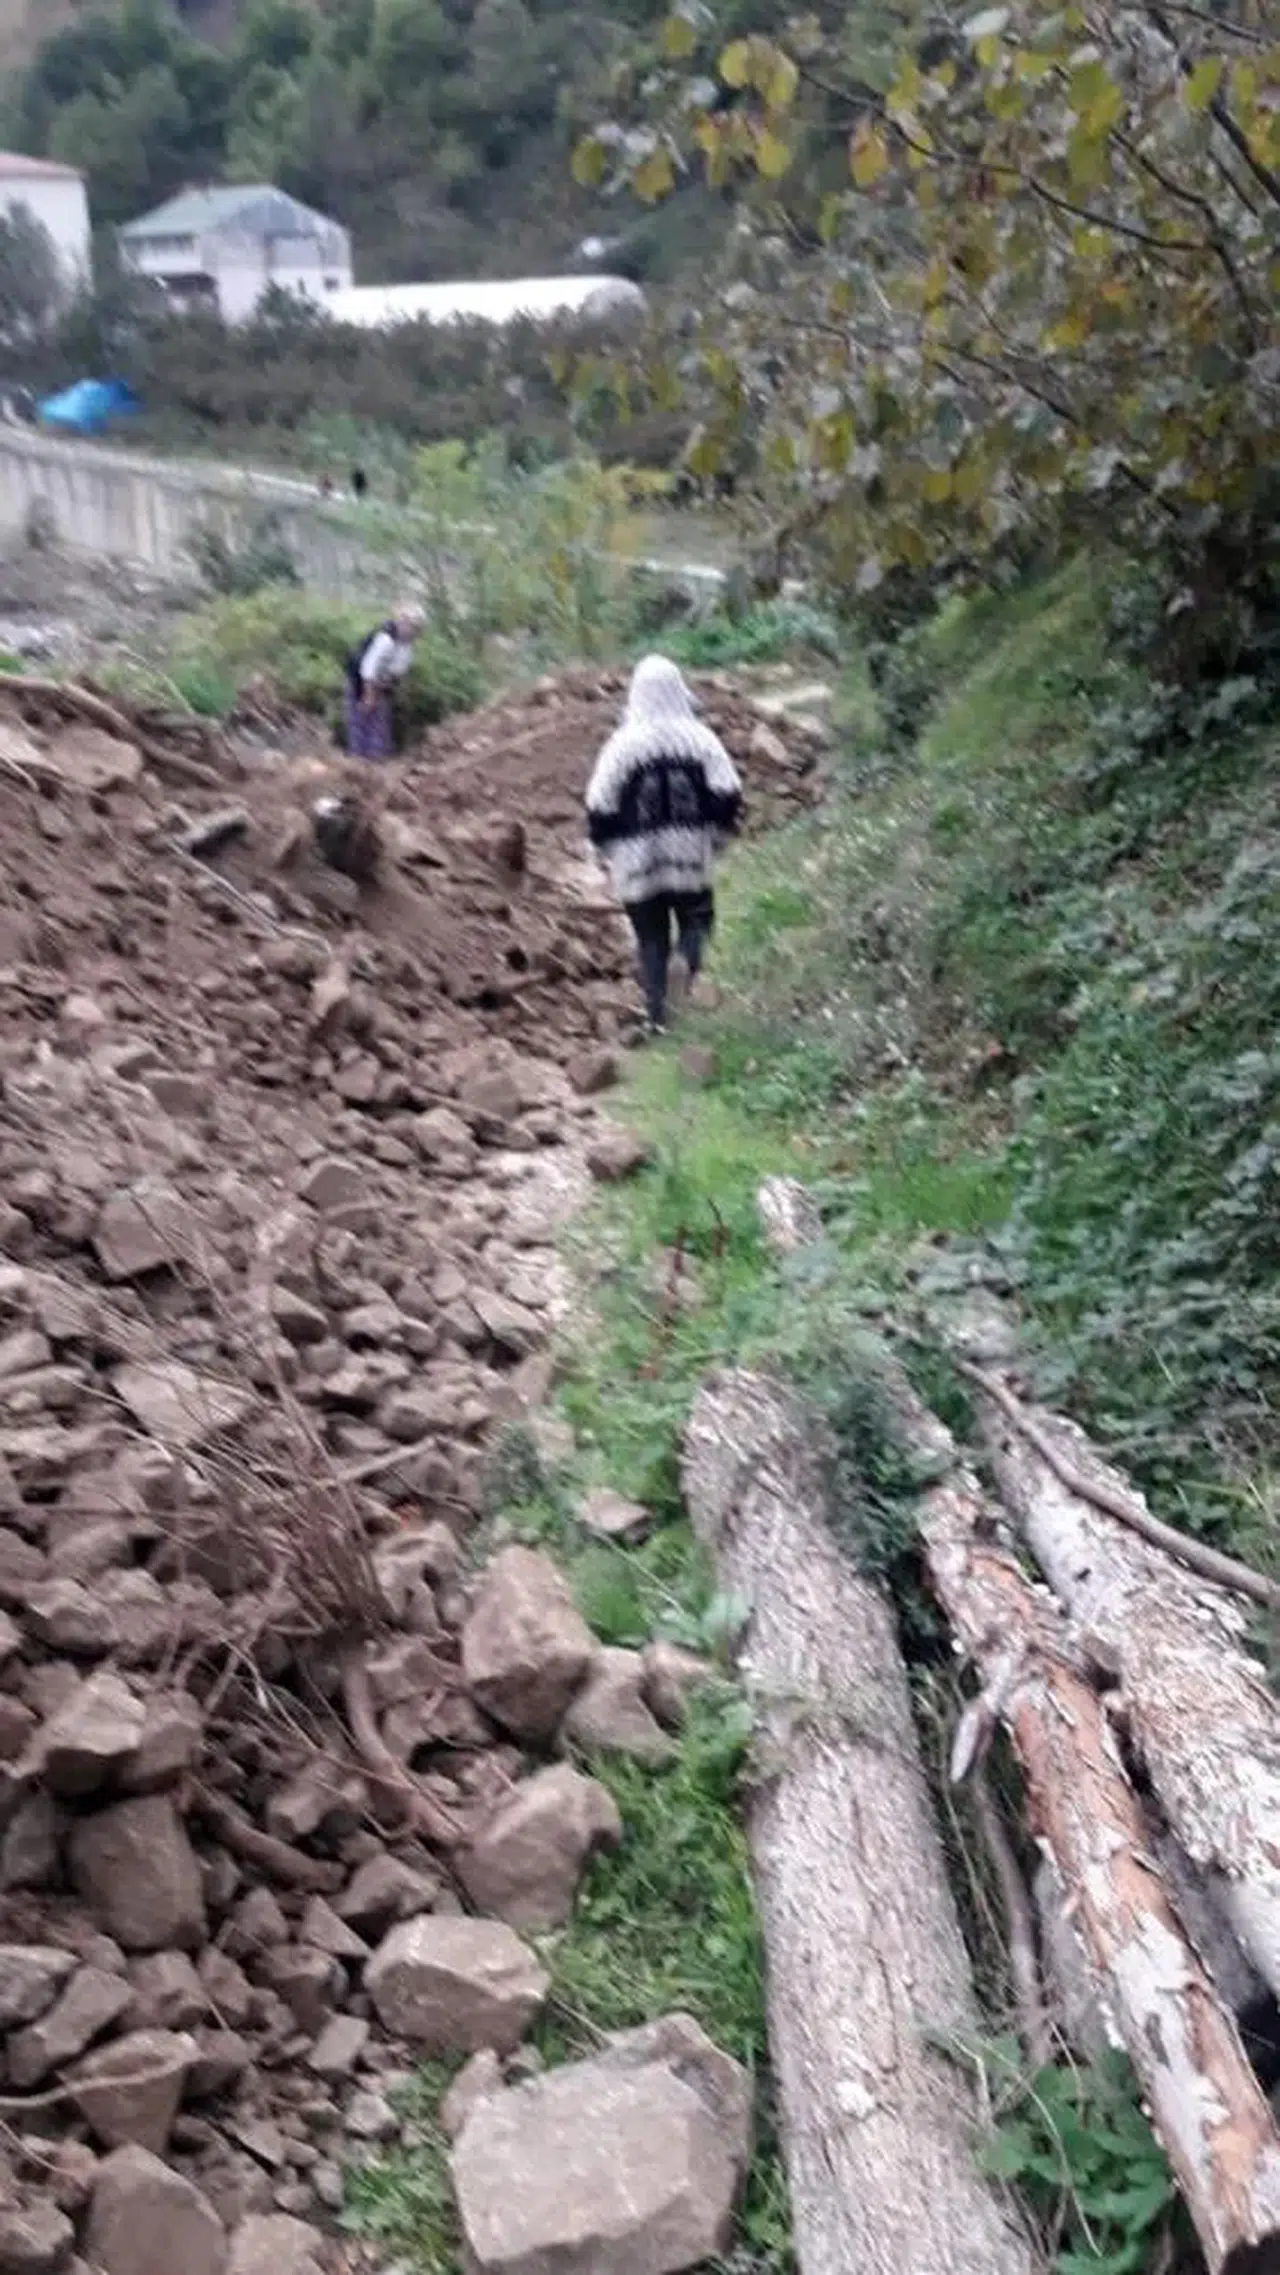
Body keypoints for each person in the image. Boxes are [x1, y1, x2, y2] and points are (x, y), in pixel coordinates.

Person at [586, 653, 743, 1035]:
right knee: (698, 918)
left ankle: (657, 1017)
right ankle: (685, 963)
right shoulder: (700, 738)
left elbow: (599, 800)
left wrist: (602, 848)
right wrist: (718, 833)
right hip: (689, 850)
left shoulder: (622, 744)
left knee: (650, 936)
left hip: (636, 859)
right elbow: (728, 789)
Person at [342, 603, 425, 760]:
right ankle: (356, 763)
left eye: (416, 628)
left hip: (381, 684)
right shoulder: (385, 639)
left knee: (379, 724)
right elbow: (368, 668)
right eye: (410, 626)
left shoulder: (406, 647)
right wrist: (368, 695)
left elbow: (397, 673)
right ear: (402, 623)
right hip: (359, 682)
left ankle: (376, 763)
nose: (412, 631)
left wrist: (384, 688)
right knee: (359, 722)